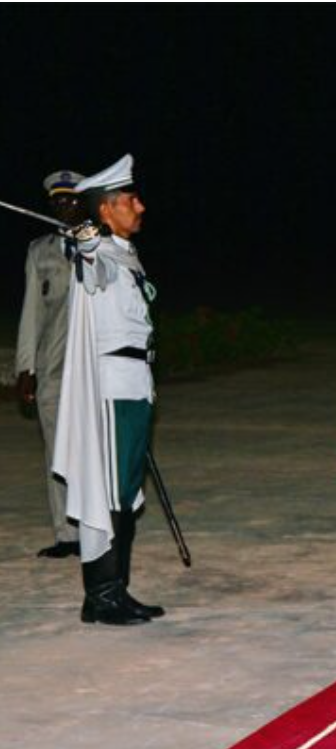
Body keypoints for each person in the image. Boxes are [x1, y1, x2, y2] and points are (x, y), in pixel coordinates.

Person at [53, 155, 163, 625]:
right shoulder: (95, 250)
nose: (140, 206)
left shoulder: (124, 252)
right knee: (111, 495)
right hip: (112, 389)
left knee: (123, 493)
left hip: (135, 384)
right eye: (129, 199)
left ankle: (114, 590)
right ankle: (103, 595)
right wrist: (80, 232)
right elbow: (87, 261)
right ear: (106, 209)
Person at [15, 170, 85, 559]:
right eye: (57, 201)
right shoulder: (40, 250)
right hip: (54, 365)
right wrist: (26, 367)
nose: (63, 206)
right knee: (57, 452)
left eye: (71, 200)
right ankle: (66, 535)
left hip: (93, 369)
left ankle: (95, 529)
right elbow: (31, 313)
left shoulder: (103, 244)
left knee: (91, 452)